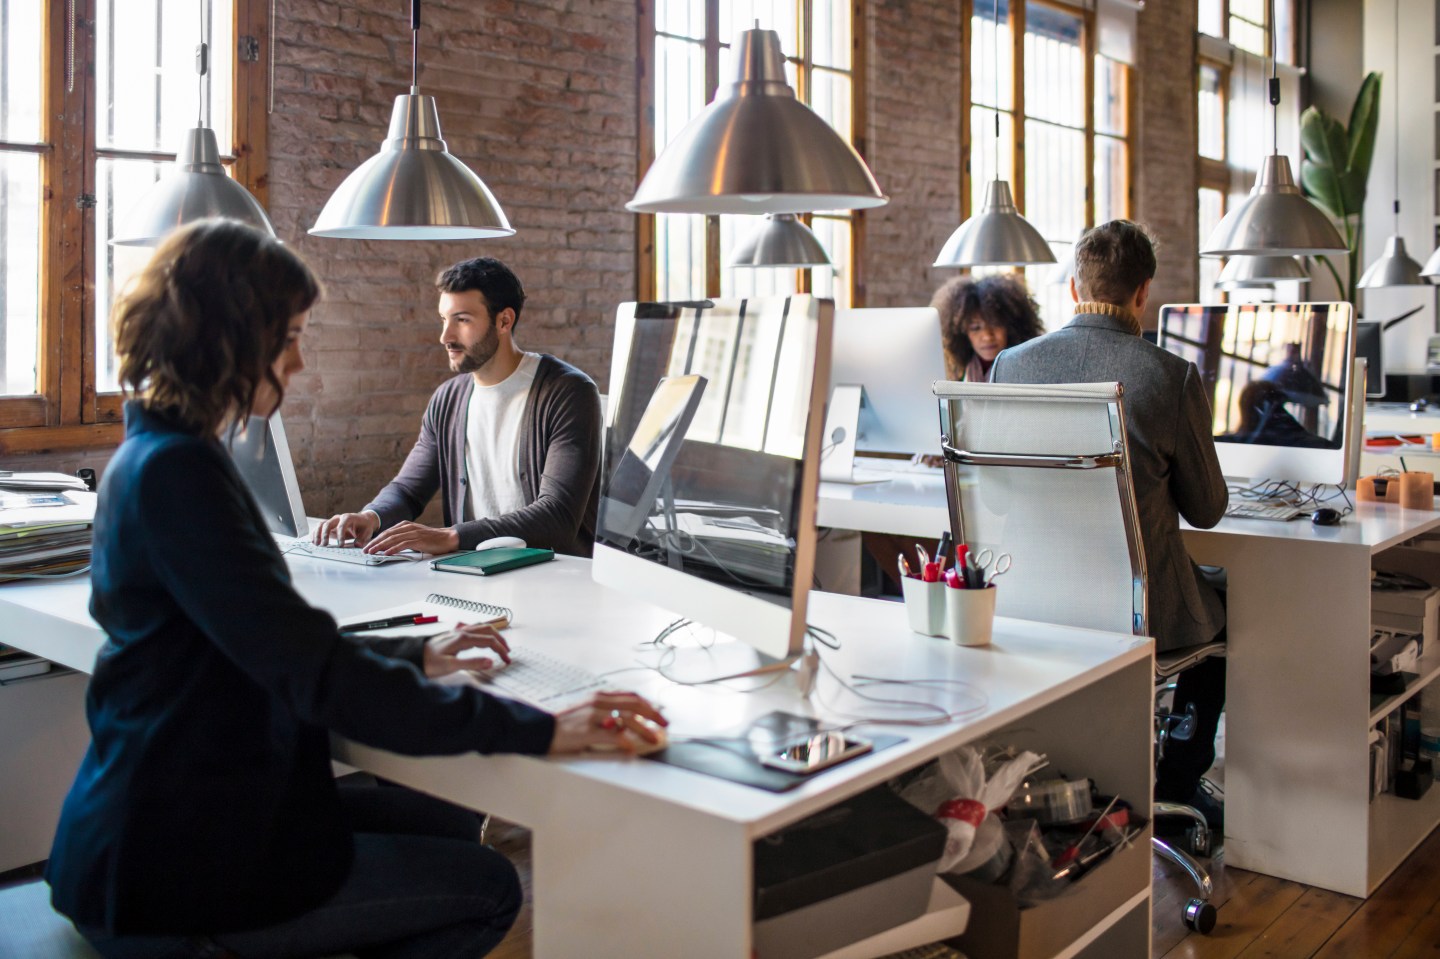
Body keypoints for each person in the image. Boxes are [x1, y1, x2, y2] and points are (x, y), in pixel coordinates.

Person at [46, 220, 665, 959]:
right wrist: (541, 727)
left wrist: (418, 653)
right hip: (176, 869)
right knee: (493, 886)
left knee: (443, 818)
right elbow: (317, 674)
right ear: (232, 338)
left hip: (187, 810)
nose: (299, 360)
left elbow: (276, 643)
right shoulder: (179, 477)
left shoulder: (159, 453)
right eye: (288, 337)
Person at [988, 220, 1229, 827]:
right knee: (1230, 598)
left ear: (1075, 288)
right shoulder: (1170, 374)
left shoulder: (1010, 366)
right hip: (1138, 612)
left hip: (1033, 603)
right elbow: (1207, 510)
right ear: (1143, 292)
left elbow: (994, 501)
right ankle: (1181, 779)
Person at [314, 257, 601, 557]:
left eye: (462, 320)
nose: (445, 337)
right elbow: (408, 491)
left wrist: (452, 536)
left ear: (504, 321)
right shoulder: (447, 399)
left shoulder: (568, 392)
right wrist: (371, 517)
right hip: (472, 572)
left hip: (553, 574)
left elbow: (557, 516)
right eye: (444, 319)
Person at [932, 273, 1045, 382]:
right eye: (975, 328)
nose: (987, 336)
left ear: (1011, 328)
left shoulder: (1030, 372)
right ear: (962, 333)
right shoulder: (955, 376)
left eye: (995, 324)